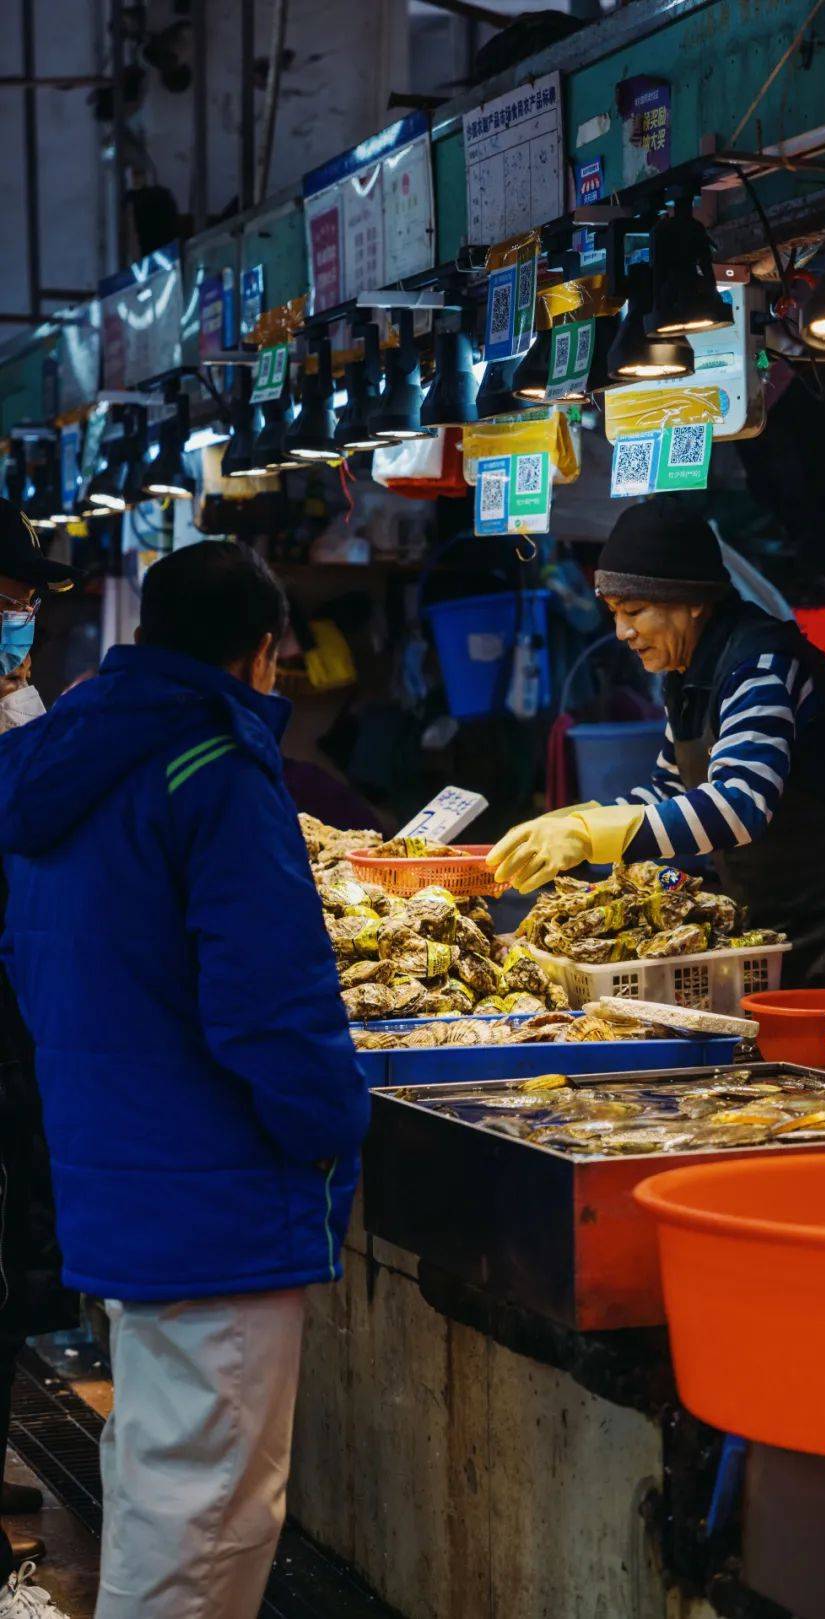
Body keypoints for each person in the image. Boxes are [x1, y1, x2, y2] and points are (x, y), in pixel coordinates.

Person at [0, 540, 368, 1619]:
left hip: (118, 1168)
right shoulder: (215, 766)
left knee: (163, 1474)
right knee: (206, 1509)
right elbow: (273, 1005)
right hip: (219, 1190)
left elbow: (32, 967)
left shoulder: (59, 754)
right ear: (262, 653)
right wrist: (329, 1128)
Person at [489, 497, 825, 988]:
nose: (622, 631)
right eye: (615, 612)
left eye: (635, 610)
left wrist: (593, 834)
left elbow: (740, 804)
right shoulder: (688, 675)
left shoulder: (759, 667)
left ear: (693, 601)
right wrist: (579, 818)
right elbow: (669, 790)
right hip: (780, 923)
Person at [0, 500, 83, 1619]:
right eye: (6, 603)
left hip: (19, 1027)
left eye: (23, 607)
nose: (21, 626)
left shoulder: (23, 712)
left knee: (17, 1254)